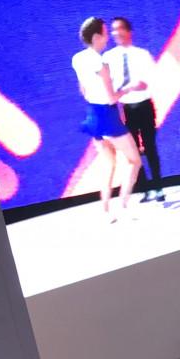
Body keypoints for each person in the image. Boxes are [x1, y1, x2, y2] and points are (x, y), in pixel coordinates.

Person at [73, 17, 141, 222]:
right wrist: (130, 88)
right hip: (107, 116)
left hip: (93, 116)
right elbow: (112, 97)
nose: (107, 38)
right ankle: (124, 206)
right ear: (96, 37)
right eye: (104, 33)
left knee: (108, 163)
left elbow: (82, 90)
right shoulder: (99, 62)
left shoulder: (77, 58)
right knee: (134, 161)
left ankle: (105, 211)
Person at [105, 17, 165, 203]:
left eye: (120, 29)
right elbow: (108, 85)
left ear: (129, 31)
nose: (117, 33)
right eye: (113, 30)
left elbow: (152, 81)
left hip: (145, 106)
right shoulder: (109, 58)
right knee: (133, 152)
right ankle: (144, 189)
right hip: (126, 109)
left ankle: (158, 187)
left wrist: (140, 86)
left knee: (150, 147)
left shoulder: (142, 54)